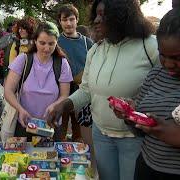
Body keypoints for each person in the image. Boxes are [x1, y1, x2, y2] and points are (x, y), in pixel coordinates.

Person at [46, 0, 159, 180]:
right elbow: (86, 90)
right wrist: (63, 105)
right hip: (101, 135)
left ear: (123, 16)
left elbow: (169, 87)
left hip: (135, 138)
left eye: (103, 15)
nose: (97, 20)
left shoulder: (150, 47)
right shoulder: (96, 50)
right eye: (96, 15)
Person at [111, 6, 180, 180]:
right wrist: (130, 115)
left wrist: (176, 134)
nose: (168, 64)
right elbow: (141, 132)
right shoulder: (156, 74)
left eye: (178, 58)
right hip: (146, 167)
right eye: (163, 55)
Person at [4, 21, 73, 141]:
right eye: (42, 43)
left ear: (57, 42)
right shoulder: (23, 60)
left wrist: (55, 106)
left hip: (51, 124)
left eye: (51, 43)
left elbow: (64, 95)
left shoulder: (62, 63)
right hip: (24, 123)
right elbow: (8, 91)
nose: (47, 48)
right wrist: (20, 110)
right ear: (35, 41)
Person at [57, 4, 93, 142]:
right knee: (61, 124)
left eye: (71, 19)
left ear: (77, 20)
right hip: (61, 89)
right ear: (60, 22)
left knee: (79, 128)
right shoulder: (56, 42)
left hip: (82, 90)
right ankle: (61, 148)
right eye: (64, 20)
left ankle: (77, 151)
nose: (68, 23)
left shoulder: (87, 42)